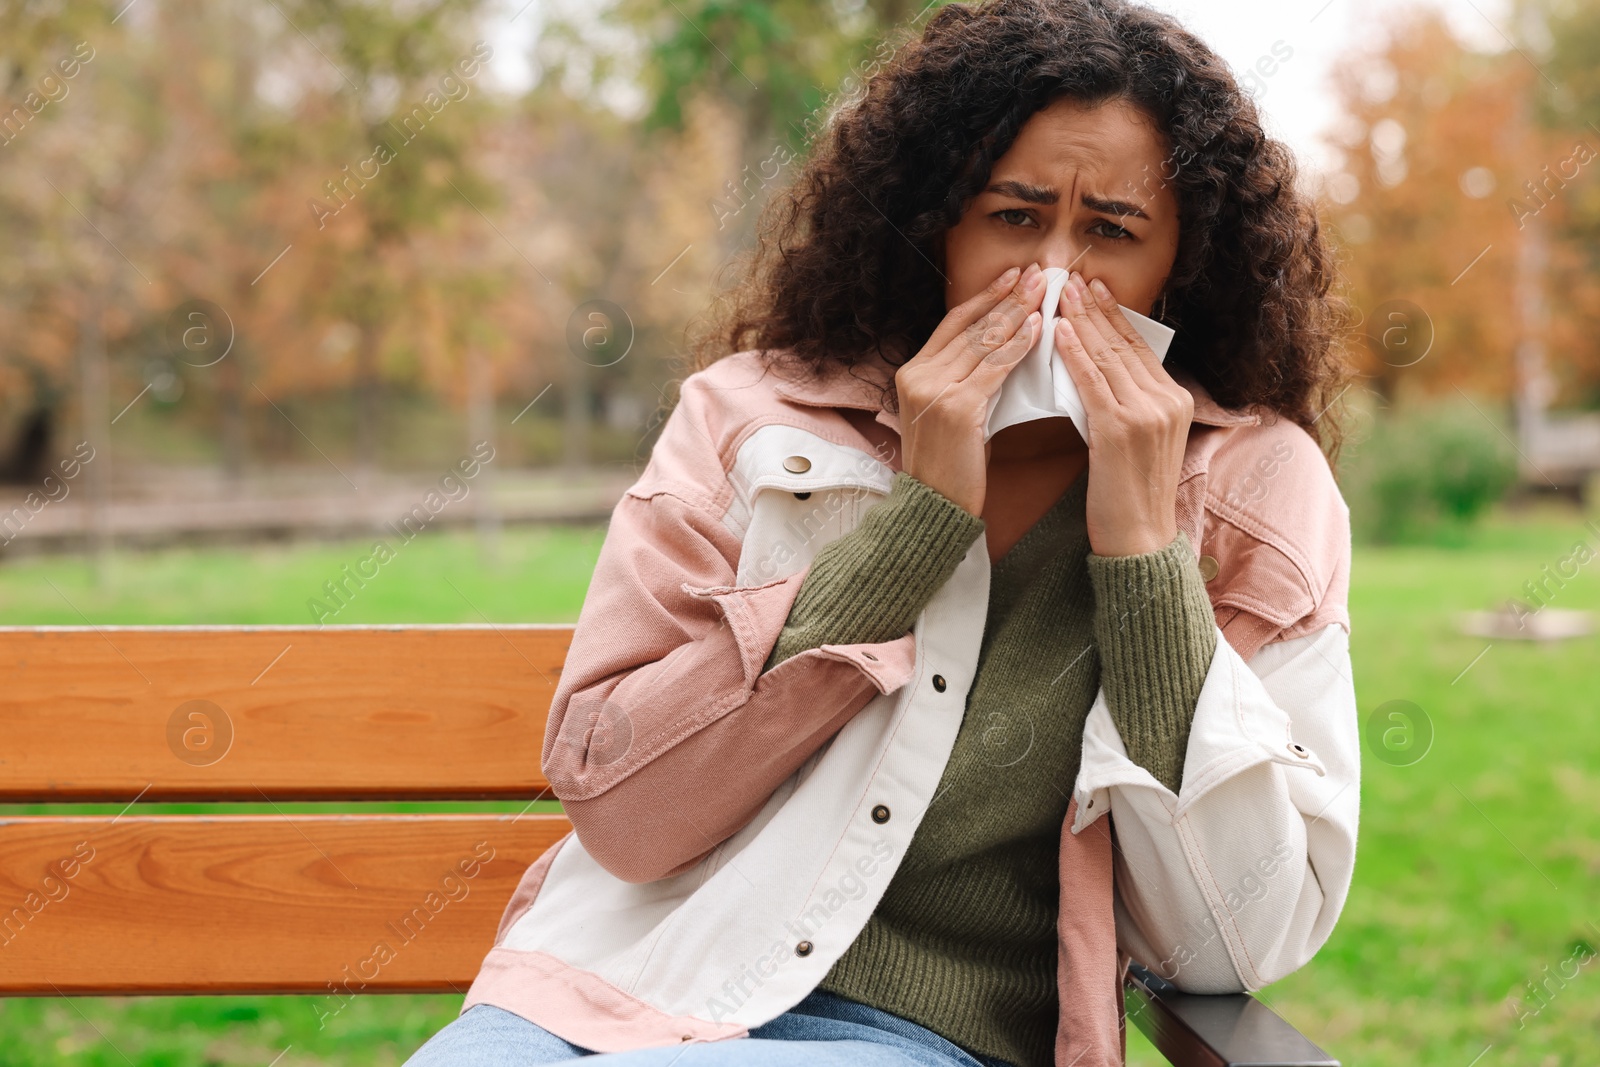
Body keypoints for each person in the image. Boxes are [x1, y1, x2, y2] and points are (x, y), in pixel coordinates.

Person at [405, 0, 1359, 1064]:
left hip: (923, 1039)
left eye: (1110, 233)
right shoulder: (744, 417)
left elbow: (1245, 936)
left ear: (1184, 262)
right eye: (1013, 216)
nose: (1050, 278)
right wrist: (916, 523)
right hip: (615, 994)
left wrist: (1142, 551)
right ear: (935, 221)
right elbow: (626, 814)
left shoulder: (1260, 489)